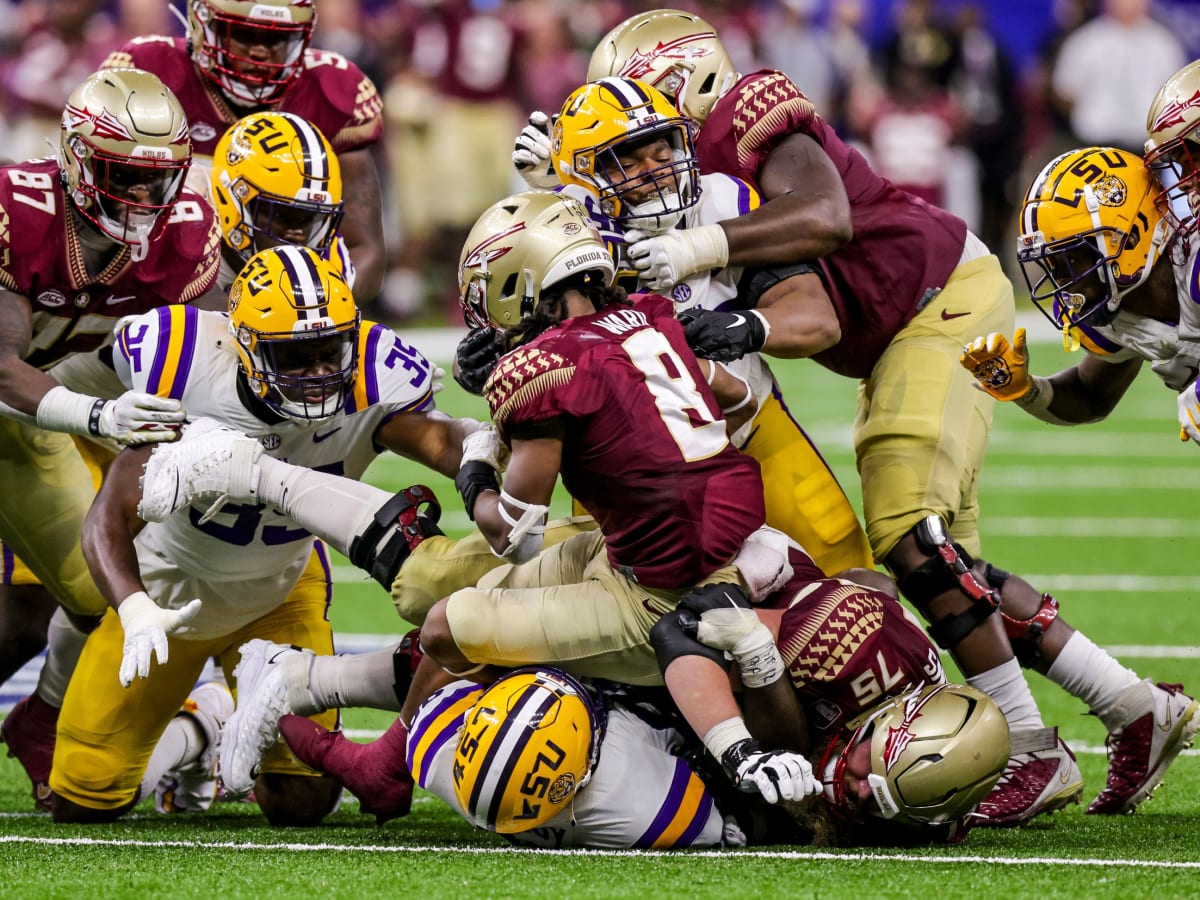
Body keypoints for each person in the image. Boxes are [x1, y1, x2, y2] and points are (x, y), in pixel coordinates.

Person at [575, 7, 1168, 825]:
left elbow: (826, 214)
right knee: (936, 570)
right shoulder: (679, 168)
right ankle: (1133, 703)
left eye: (639, 100)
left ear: (685, 77)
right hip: (897, 329)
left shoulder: (748, 107)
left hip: (935, 299)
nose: (636, 135)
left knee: (907, 534)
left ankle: (1033, 749)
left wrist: (699, 249)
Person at [140, 188, 812, 809]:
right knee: (453, 590)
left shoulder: (546, 369)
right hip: (669, 555)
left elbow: (513, 530)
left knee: (446, 615)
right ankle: (320, 686)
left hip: (652, 590)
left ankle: (337, 707)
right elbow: (740, 395)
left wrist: (477, 470)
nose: (485, 307)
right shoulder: (651, 316)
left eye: (491, 287)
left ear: (524, 278)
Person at [138, 422, 1009, 845]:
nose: (848, 787)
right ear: (886, 724)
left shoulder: (908, 769)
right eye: (860, 774)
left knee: (458, 613)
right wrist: (747, 729)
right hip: (668, 594)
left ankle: (292, 686)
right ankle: (252, 472)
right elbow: (691, 637)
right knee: (444, 607)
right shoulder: (845, 646)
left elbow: (829, 800)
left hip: (687, 626)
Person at [41, 244, 466, 824]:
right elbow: (109, 515)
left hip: (281, 590)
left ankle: (227, 709)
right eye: (297, 357)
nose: (320, 373)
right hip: (171, 593)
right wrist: (136, 609)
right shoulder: (186, 363)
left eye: (329, 350)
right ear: (244, 347)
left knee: (302, 802)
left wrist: (491, 443)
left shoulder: (371, 370)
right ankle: (205, 721)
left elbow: (446, 445)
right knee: (81, 798)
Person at [544, 76, 872, 577]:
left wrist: (746, 325)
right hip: (623, 465)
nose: (653, 172)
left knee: (850, 575)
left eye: (661, 152)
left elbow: (815, 319)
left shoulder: (719, 204)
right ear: (583, 177)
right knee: (617, 618)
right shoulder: (557, 238)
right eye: (628, 161)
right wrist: (486, 356)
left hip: (744, 425)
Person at [0, 67, 218, 809]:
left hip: (22, 428)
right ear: (74, 157)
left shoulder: (186, 235)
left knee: (103, 593)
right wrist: (96, 418)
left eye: (158, 180)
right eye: (122, 175)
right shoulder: (17, 209)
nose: (143, 200)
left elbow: (206, 350)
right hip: (32, 402)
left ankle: (44, 722)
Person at [960, 145, 1200, 814]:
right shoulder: (1127, 300)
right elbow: (1089, 399)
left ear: (1132, 235)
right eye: (1056, 261)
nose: (1065, 277)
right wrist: (1025, 390)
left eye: (1074, 256)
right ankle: (1144, 716)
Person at [101, 0, 387, 301]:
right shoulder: (148, 72)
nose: (261, 52)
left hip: (281, 290)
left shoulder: (332, 89)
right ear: (203, 26)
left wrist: (320, 307)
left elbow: (365, 248)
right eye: (243, 35)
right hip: (153, 281)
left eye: (276, 39)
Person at [209, 110, 352, 292]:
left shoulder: (329, 259)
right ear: (232, 200)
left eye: (309, 218)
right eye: (281, 215)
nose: (297, 234)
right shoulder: (191, 242)